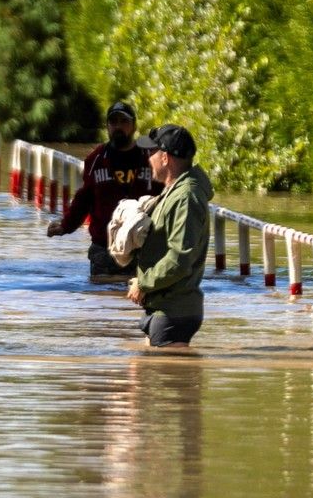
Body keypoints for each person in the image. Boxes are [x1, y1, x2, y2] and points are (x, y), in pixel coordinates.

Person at [47, 101, 158, 282]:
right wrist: (66, 226)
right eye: (113, 122)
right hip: (103, 248)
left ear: (134, 126)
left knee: (138, 300)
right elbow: (84, 198)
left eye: (124, 122)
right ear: (107, 126)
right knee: (102, 301)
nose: (118, 127)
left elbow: (165, 196)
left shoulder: (150, 158)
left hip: (141, 247)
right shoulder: (96, 159)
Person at [126, 125, 214, 348]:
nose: (148, 160)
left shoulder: (186, 197)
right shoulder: (175, 191)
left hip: (175, 312)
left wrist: (144, 284)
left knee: (168, 381)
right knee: (148, 376)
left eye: (151, 153)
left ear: (164, 158)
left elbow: (179, 259)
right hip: (163, 308)